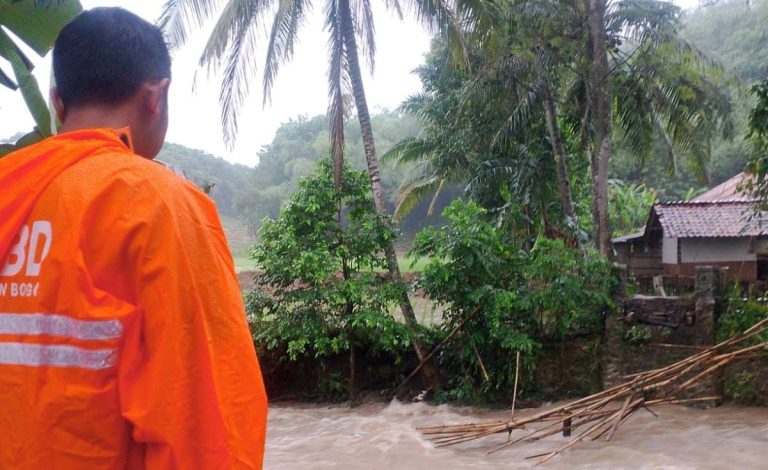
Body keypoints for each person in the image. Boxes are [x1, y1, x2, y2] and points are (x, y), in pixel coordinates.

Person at [0, 7, 267, 469]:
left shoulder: (10, 188)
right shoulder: (158, 206)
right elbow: (207, 425)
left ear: (57, 101)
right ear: (155, 98)